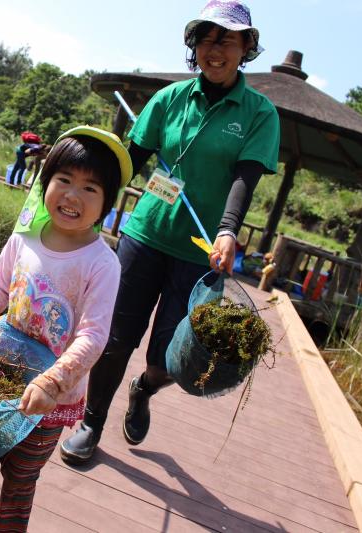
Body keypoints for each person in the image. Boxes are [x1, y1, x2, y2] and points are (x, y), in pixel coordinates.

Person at [60, 0, 280, 465]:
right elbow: (132, 161)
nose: (214, 49)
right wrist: (86, 202)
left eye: (227, 40)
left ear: (246, 48)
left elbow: (245, 177)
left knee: (172, 362)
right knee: (115, 338)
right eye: (206, 38)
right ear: (194, 45)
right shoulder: (169, 100)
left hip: (200, 253)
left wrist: (227, 231)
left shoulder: (260, 113)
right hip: (145, 237)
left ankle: (142, 390)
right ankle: (91, 421)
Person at [0, 126, 132, 532]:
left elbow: (93, 336)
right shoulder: (24, 238)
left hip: (49, 402)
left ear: (108, 202)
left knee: (20, 483)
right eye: (64, 180)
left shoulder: (101, 264)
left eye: (90, 188)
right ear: (45, 183)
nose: (73, 196)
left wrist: (53, 382)